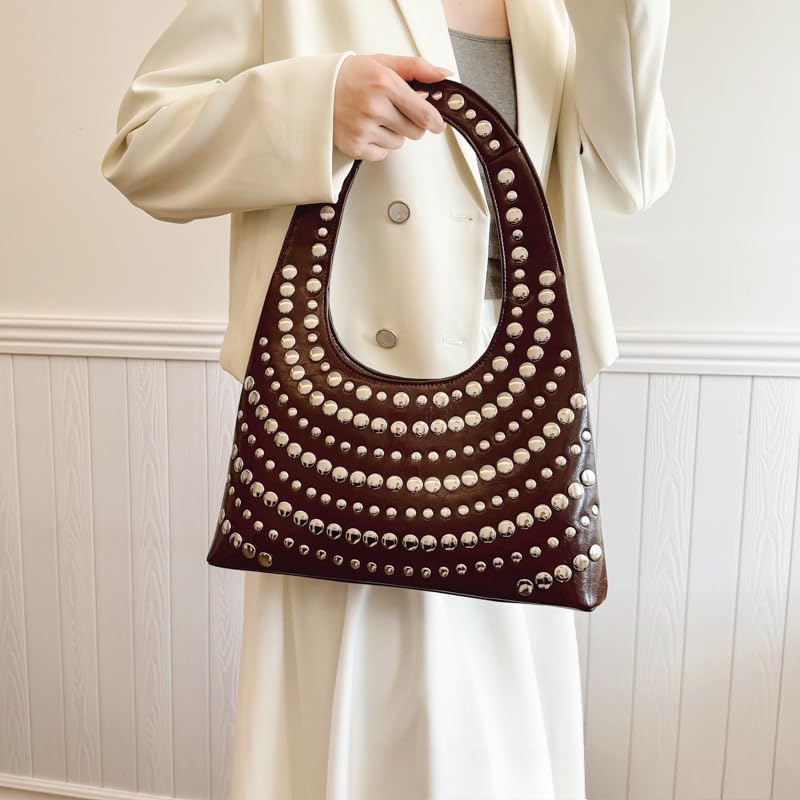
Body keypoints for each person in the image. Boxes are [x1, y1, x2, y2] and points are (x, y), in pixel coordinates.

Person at [100, 1, 675, 797]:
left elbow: (629, 176)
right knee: (359, 739)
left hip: (514, 431)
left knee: (497, 748)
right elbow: (142, 147)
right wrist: (314, 107)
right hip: (345, 434)